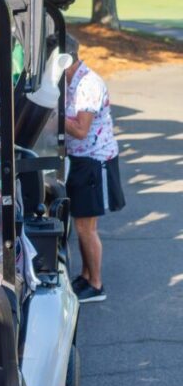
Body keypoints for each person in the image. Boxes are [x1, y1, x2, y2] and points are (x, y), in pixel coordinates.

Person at [64, 33, 125, 303]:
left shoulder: (87, 85)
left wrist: (53, 114)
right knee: (81, 223)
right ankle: (86, 275)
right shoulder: (70, 81)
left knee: (86, 227)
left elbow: (80, 129)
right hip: (81, 159)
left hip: (94, 160)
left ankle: (96, 284)